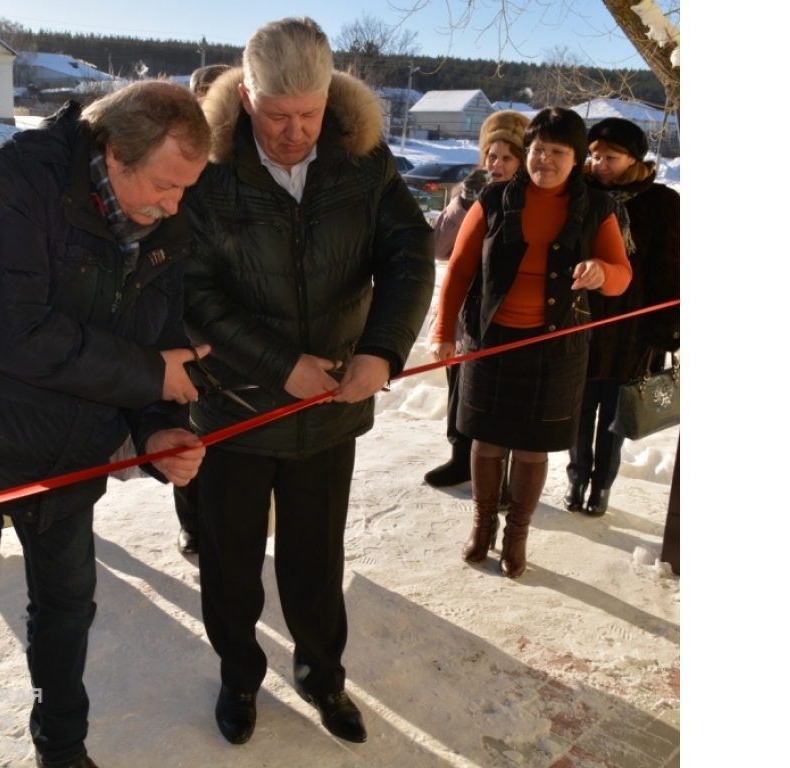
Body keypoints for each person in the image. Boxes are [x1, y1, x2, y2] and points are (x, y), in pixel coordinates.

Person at [0, 81, 212, 768]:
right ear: (114, 152)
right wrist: (149, 376)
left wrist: (160, 427)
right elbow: (12, 330)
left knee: (67, 614)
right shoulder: (15, 177)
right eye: (166, 185)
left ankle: (63, 749)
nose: (175, 204)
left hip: (71, 450)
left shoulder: (168, 214)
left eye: (187, 189)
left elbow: (158, 339)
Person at [183, 17, 434, 746]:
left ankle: (323, 673)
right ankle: (238, 676)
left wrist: (383, 350)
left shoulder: (363, 159)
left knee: (316, 559)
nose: (294, 133)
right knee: (230, 563)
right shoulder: (209, 164)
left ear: (331, 98)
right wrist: (275, 365)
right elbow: (194, 291)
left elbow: (410, 256)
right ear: (245, 94)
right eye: (276, 114)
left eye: (309, 114)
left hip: (328, 410)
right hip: (232, 407)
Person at [430, 107, 631, 578]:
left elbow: (622, 277)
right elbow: (458, 268)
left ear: (577, 157)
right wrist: (442, 332)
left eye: (557, 152)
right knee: (486, 439)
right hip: (491, 340)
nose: (544, 159)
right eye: (538, 149)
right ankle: (482, 526)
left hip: (555, 347)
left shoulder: (598, 208)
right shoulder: (494, 198)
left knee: (531, 446)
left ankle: (516, 535)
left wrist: (602, 272)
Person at [564, 117, 680, 516]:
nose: (600, 164)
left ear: (634, 159)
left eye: (611, 156)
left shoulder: (662, 202)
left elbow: (673, 267)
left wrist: (667, 329)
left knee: (616, 413)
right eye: (594, 155)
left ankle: (602, 486)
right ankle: (576, 478)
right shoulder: (576, 193)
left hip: (634, 327)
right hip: (582, 319)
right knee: (577, 407)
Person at [424, 110, 529, 488]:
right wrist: (462, 201)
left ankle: (498, 475)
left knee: (501, 401)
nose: (496, 164)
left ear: (523, 160)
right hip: (463, 317)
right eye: (491, 155)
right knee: (459, 392)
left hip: (506, 320)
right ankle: (459, 458)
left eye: (506, 157)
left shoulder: (530, 202)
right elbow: (437, 248)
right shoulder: (470, 197)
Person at [172, 61, 233, 557]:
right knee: (187, 427)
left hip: (227, 316)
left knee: (224, 434)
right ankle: (192, 522)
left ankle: (223, 520)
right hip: (180, 313)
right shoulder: (179, 159)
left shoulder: (237, 160)